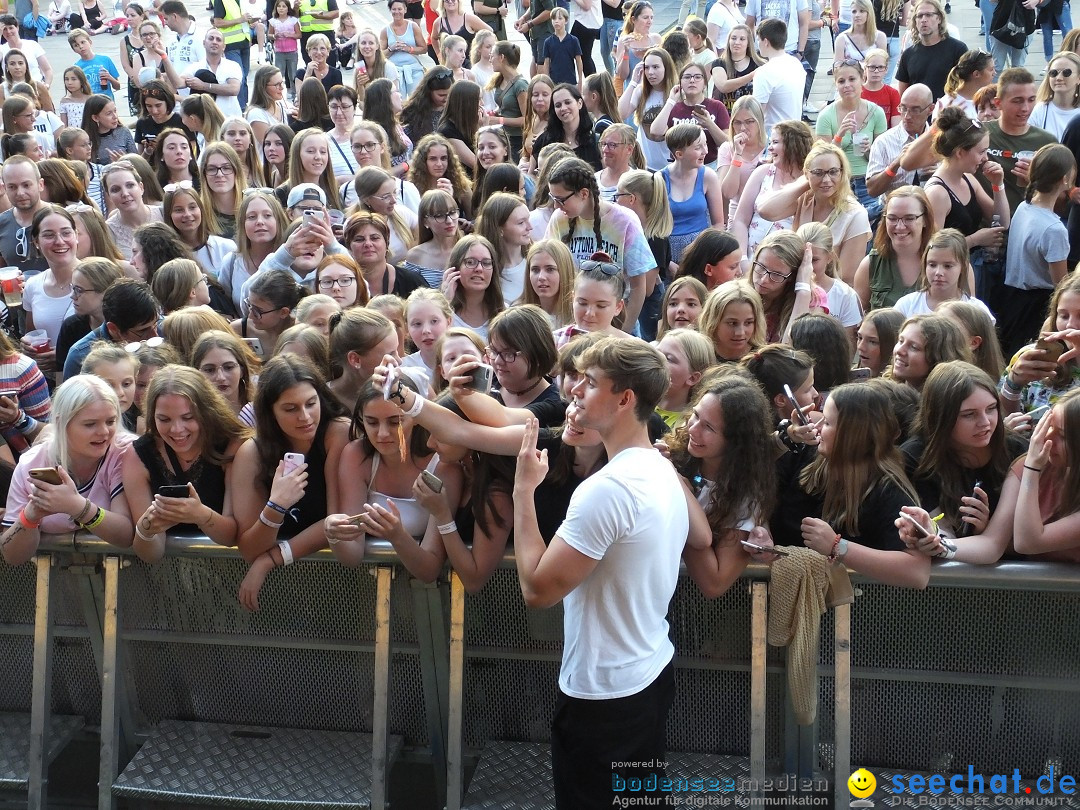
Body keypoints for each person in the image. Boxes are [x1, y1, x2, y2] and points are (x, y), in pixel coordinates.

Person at [512, 337, 699, 808]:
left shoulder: (608, 490)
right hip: (646, 673)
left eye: (590, 383)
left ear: (625, 399)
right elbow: (700, 537)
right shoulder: (659, 468)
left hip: (605, 696)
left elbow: (537, 589)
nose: (574, 392)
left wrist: (522, 492)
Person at [768, 382, 931, 588]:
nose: (818, 427)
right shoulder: (804, 454)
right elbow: (751, 474)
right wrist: (761, 533)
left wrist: (837, 546)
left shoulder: (888, 489)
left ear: (852, 435)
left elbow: (917, 573)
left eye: (827, 423)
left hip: (856, 612)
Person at [231, 355, 349, 612]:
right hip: (277, 591)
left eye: (311, 403)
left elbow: (336, 520)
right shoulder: (251, 453)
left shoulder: (338, 432)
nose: (305, 417)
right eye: (290, 408)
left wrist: (270, 559)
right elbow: (250, 549)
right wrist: (276, 506)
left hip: (342, 582)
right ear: (270, 411)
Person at [0, 375, 134, 568]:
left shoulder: (124, 453)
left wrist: (77, 507)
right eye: (90, 424)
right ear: (62, 423)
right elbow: (12, 555)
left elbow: (125, 535)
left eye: (111, 421)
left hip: (127, 575)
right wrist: (30, 515)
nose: (104, 432)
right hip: (61, 583)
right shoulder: (32, 463)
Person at [125, 365, 251, 562]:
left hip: (233, 567)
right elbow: (151, 554)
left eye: (188, 418)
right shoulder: (139, 454)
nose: (177, 429)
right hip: (172, 579)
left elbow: (231, 535)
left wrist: (200, 515)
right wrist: (146, 528)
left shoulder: (234, 445)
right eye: (164, 419)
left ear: (206, 411)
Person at [545, 157, 654, 330]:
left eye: (561, 200)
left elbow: (639, 285)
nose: (556, 206)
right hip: (575, 321)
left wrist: (624, 332)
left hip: (616, 320)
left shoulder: (624, 220)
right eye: (553, 198)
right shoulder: (559, 220)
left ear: (584, 194)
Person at [756, 142, 872, 284]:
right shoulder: (805, 198)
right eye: (818, 172)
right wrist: (806, 183)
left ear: (842, 173)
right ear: (806, 173)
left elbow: (847, 277)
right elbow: (765, 211)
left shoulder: (855, 214)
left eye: (833, 171)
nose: (826, 180)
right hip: (795, 283)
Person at [999, 144, 1074, 357]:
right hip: (1036, 307)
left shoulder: (1024, 207)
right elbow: (1061, 286)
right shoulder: (1054, 229)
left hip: (1011, 298)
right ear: (1065, 179)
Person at [815, 57, 888, 221]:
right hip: (839, 183)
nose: (847, 85)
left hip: (867, 183)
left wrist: (869, 150)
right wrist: (839, 137)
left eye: (852, 79)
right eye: (841, 81)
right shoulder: (826, 115)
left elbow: (882, 159)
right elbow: (820, 160)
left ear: (863, 79)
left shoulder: (876, 113)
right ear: (836, 85)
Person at [731, 121, 814, 263]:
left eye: (775, 142)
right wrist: (743, 259)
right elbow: (740, 220)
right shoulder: (762, 173)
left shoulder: (809, 182)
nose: (769, 148)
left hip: (787, 263)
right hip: (750, 261)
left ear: (793, 144)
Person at [853, 186, 935, 311]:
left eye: (909, 218)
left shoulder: (949, 262)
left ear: (925, 220)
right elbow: (857, 320)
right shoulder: (870, 265)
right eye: (892, 218)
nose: (900, 226)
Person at [22, 206, 81, 373]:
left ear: (76, 236)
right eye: (49, 235)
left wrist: (65, 356)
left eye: (66, 233)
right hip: (48, 380)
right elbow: (31, 333)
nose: (60, 241)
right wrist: (26, 345)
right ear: (36, 242)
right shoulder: (33, 285)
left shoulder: (99, 279)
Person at [64, 278, 159, 379]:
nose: (155, 335)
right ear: (113, 328)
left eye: (156, 324)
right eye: (142, 331)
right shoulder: (80, 356)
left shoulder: (163, 329)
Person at [649, 62, 731, 167]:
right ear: (680, 83)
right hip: (679, 167)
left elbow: (726, 143)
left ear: (705, 83)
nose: (692, 80)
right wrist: (671, 100)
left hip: (709, 166)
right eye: (687, 77)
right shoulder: (673, 107)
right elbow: (655, 131)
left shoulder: (716, 106)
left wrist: (709, 124)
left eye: (697, 77)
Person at [865, 83, 934, 205]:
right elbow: (872, 190)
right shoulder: (884, 142)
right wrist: (895, 165)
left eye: (915, 110)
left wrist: (940, 174)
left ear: (930, 109)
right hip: (894, 212)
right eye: (903, 108)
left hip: (932, 208)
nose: (907, 116)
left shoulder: (940, 140)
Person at [895, 0, 969, 100]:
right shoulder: (908, 54)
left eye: (929, 15)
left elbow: (968, 85)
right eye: (920, 16)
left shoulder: (958, 49)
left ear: (939, 18)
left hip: (949, 112)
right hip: (918, 113)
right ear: (915, 21)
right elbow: (903, 94)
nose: (924, 20)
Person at [618, 47, 677, 172]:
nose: (650, 72)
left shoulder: (676, 93)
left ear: (666, 68)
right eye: (647, 67)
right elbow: (620, 114)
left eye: (655, 67)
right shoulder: (641, 91)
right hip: (646, 165)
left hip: (671, 165)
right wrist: (633, 82)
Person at [167, 29, 242, 118]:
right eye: (211, 38)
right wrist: (164, 57)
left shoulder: (232, 65)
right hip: (206, 122)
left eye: (218, 40)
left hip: (230, 119)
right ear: (204, 43)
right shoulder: (195, 67)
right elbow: (178, 83)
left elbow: (233, 89)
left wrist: (203, 86)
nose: (214, 42)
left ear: (224, 47)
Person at [891, 313, 973, 389]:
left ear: (938, 357)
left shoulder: (952, 402)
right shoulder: (885, 394)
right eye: (901, 341)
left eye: (913, 347)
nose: (900, 350)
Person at [751, 19, 804, 135]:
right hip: (797, 133)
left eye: (758, 40)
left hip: (774, 138)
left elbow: (757, 115)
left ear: (766, 42)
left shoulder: (764, 72)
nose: (757, 44)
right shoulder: (796, 64)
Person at [0, 156, 49, 279]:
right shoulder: (2, 223)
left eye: (26, 185)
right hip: (15, 297)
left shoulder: (60, 218)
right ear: (5, 188)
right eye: (12, 187)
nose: (20, 193)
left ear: (40, 184)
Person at [935, 49, 997, 120]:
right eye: (991, 69)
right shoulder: (947, 104)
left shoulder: (990, 99)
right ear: (976, 74)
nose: (994, 73)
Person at [382, 0, 427, 97]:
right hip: (395, 71)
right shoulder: (385, 30)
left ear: (405, 10)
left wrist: (409, 49)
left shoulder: (413, 26)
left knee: (416, 100)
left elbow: (424, 48)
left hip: (414, 69)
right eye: (394, 9)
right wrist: (391, 48)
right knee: (398, 101)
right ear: (390, 10)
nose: (397, 12)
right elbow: (380, 55)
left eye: (399, 9)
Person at [1030, 51, 1080, 138]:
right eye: (1053, 73)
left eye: (1066, 73)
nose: (1059, 78)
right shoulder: (1040, 110)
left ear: (1078, 78)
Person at [161, 1, 205, 92]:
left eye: (166, 19)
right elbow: (171, 72)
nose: (165, 23)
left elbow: (207, 68)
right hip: (179, 101)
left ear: (174, 16)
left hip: (198, 99)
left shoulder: (201, 37)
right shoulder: (172, 41)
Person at [68, 28, 120, 100]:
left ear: (90, 42)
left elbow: (118, 87)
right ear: (73, 49)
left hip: (107, 102)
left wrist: (109, 77)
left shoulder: (105, 60)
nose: (81, 46)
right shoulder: (77, 67)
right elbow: (75, 92)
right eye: (76, 45)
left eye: (83, 42)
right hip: (89, 104)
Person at [854, 306, 904, 376]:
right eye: (860, 338)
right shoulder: (847, 379)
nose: (860, 347)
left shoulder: (898, 386)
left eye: (872, 342)